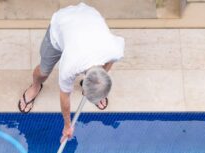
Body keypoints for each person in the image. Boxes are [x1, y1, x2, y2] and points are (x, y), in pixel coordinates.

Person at [18, 2, 125, 142]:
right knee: (43, 71)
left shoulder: (114, 51)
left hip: (88, 17)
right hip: (61, 25)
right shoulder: (70, 65)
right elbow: (64, 96)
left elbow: (110, 62)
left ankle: (95, 89)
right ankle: (35, 86)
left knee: (97, 79)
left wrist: (97, 87)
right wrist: (67, 125)